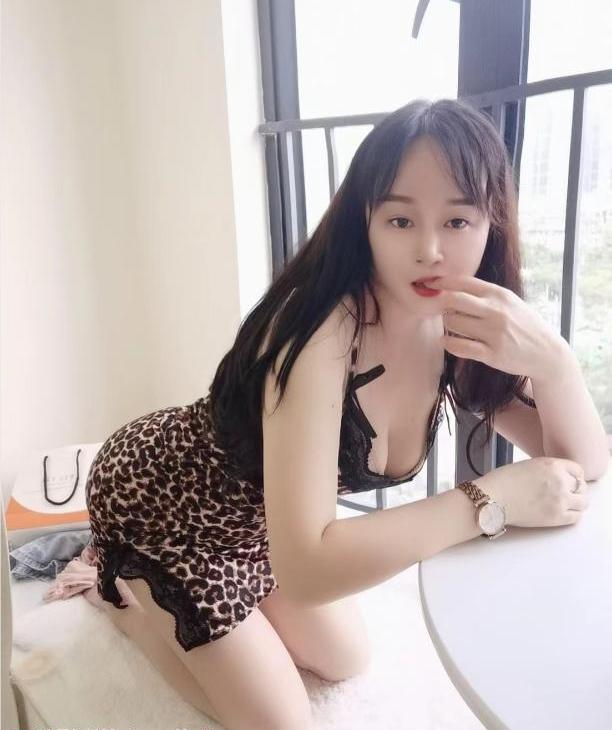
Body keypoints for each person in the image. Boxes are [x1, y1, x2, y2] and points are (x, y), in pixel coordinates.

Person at [85, 98, 590, 730]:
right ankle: (124, 597)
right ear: (366, 222)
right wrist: (489, 500)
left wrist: (556, 364)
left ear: (492, 225)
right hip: (162, 501)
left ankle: (230, 595)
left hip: (262, 528)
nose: (430, 250)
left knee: (348, 660)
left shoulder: (459, 327)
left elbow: (580, 469)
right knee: (282, 723)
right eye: (400, 220)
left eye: (458, 221)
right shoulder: (323, 332)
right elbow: (306, 571)